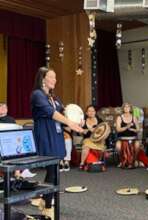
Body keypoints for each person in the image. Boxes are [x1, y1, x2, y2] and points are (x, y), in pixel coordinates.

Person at [31, 66, 83, 219]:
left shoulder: (54, 97)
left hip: (57, 134)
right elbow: (51, 113)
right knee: (52, 170)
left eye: (55, 77)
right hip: (45, 134)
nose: (55, 80)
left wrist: (76, 121)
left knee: (54, 171)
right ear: (43, 79)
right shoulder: (37, 95)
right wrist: (70, 123)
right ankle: (47, 205)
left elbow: (63, 113)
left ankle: (45, 200)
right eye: (51, 77)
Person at [115, 102, 140, 168]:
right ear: (123, 109)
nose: (126, 108)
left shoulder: (134, 117)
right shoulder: (119, 117)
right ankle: (121, 160)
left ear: (130, 108)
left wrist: (133, 130)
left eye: (128, 107)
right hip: (122, 138)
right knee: (118, 146)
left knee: (137, 145)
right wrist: (126, 127)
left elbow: (138, 129)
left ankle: (134, 160)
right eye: (125, 107)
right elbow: (118, 129)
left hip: (133, 138)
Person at [79, 105, 104, 170]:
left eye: (93, 111)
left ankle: (99, 162)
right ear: (86, 113)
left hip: (98, 139)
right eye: (89, 111)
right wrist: (87, 129)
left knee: (101, 146)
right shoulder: (83, 121)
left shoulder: (100, 120)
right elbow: (80, 133)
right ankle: (82, 163)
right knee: (86, 146)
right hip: (87, 139)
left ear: (95, 112)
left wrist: (96, 131)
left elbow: (103, 132)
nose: (91, 112)